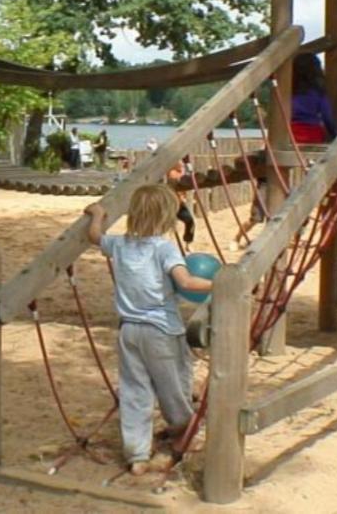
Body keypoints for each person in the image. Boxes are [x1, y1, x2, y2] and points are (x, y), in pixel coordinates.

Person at [83, 185, 212, 475]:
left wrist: (97, 214)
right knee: (174, 385)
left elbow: (93, 237)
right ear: (167, 218)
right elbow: (188, 283)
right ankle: (183, 432)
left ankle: (137, 455)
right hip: (162, 331)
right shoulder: (164, 248)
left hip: (129, 331)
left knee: (135, 390)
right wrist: (224, 282)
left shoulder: (120, 245)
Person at [290, 52, 337, 143]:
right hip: (313, 133)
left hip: (291, 133)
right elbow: (327, 117)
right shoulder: (318, 92)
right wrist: (334, 135)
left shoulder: (289, 91)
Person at [166, 160, 196, 245]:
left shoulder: (181, 173)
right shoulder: (172, 173)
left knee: (190, 221)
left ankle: (188, 242)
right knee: (168, 224)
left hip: (179, 204)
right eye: (180, 165)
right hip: (170, 203)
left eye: (182, 165)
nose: (182, 166)